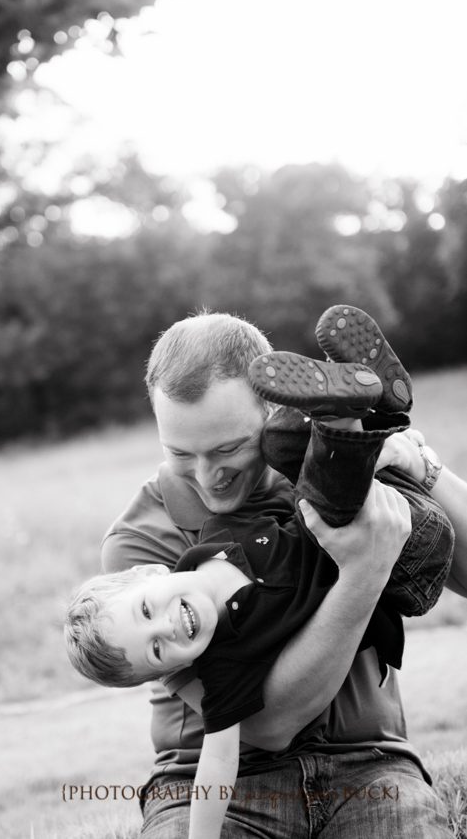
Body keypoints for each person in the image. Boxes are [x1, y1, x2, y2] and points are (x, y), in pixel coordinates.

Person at [65, 306, 455, 838]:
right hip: (206, 784)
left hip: (369, 764)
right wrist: (364, 572)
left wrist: (418, 466)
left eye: (228, 448)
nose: (209, 477)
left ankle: (370, 405)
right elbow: (269, 726)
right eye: (180, 453)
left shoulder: (314, 464)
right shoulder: (137, 549)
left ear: (275, 404)